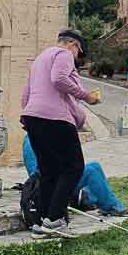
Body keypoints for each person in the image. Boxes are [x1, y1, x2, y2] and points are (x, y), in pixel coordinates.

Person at [21, 29, 100, 237]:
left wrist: (26, 117)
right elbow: (59, 79)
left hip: (33, 117)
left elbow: (26, 92)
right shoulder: (63, 54)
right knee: (74, 167)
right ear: (73, 44)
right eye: (78, 52)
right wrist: (87, 96)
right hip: (55, 118)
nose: (77, 57)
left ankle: (41, 222)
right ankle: (55, 219)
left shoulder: (39, 59)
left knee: (49, 172)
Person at [23, 135, 128, 221]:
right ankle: (111, 206)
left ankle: (103, 202)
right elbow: (38, 173)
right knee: (91, 172)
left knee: (95, 165)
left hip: (59, 178)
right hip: (54, 184)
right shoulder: (34, 140)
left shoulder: (36, 135)